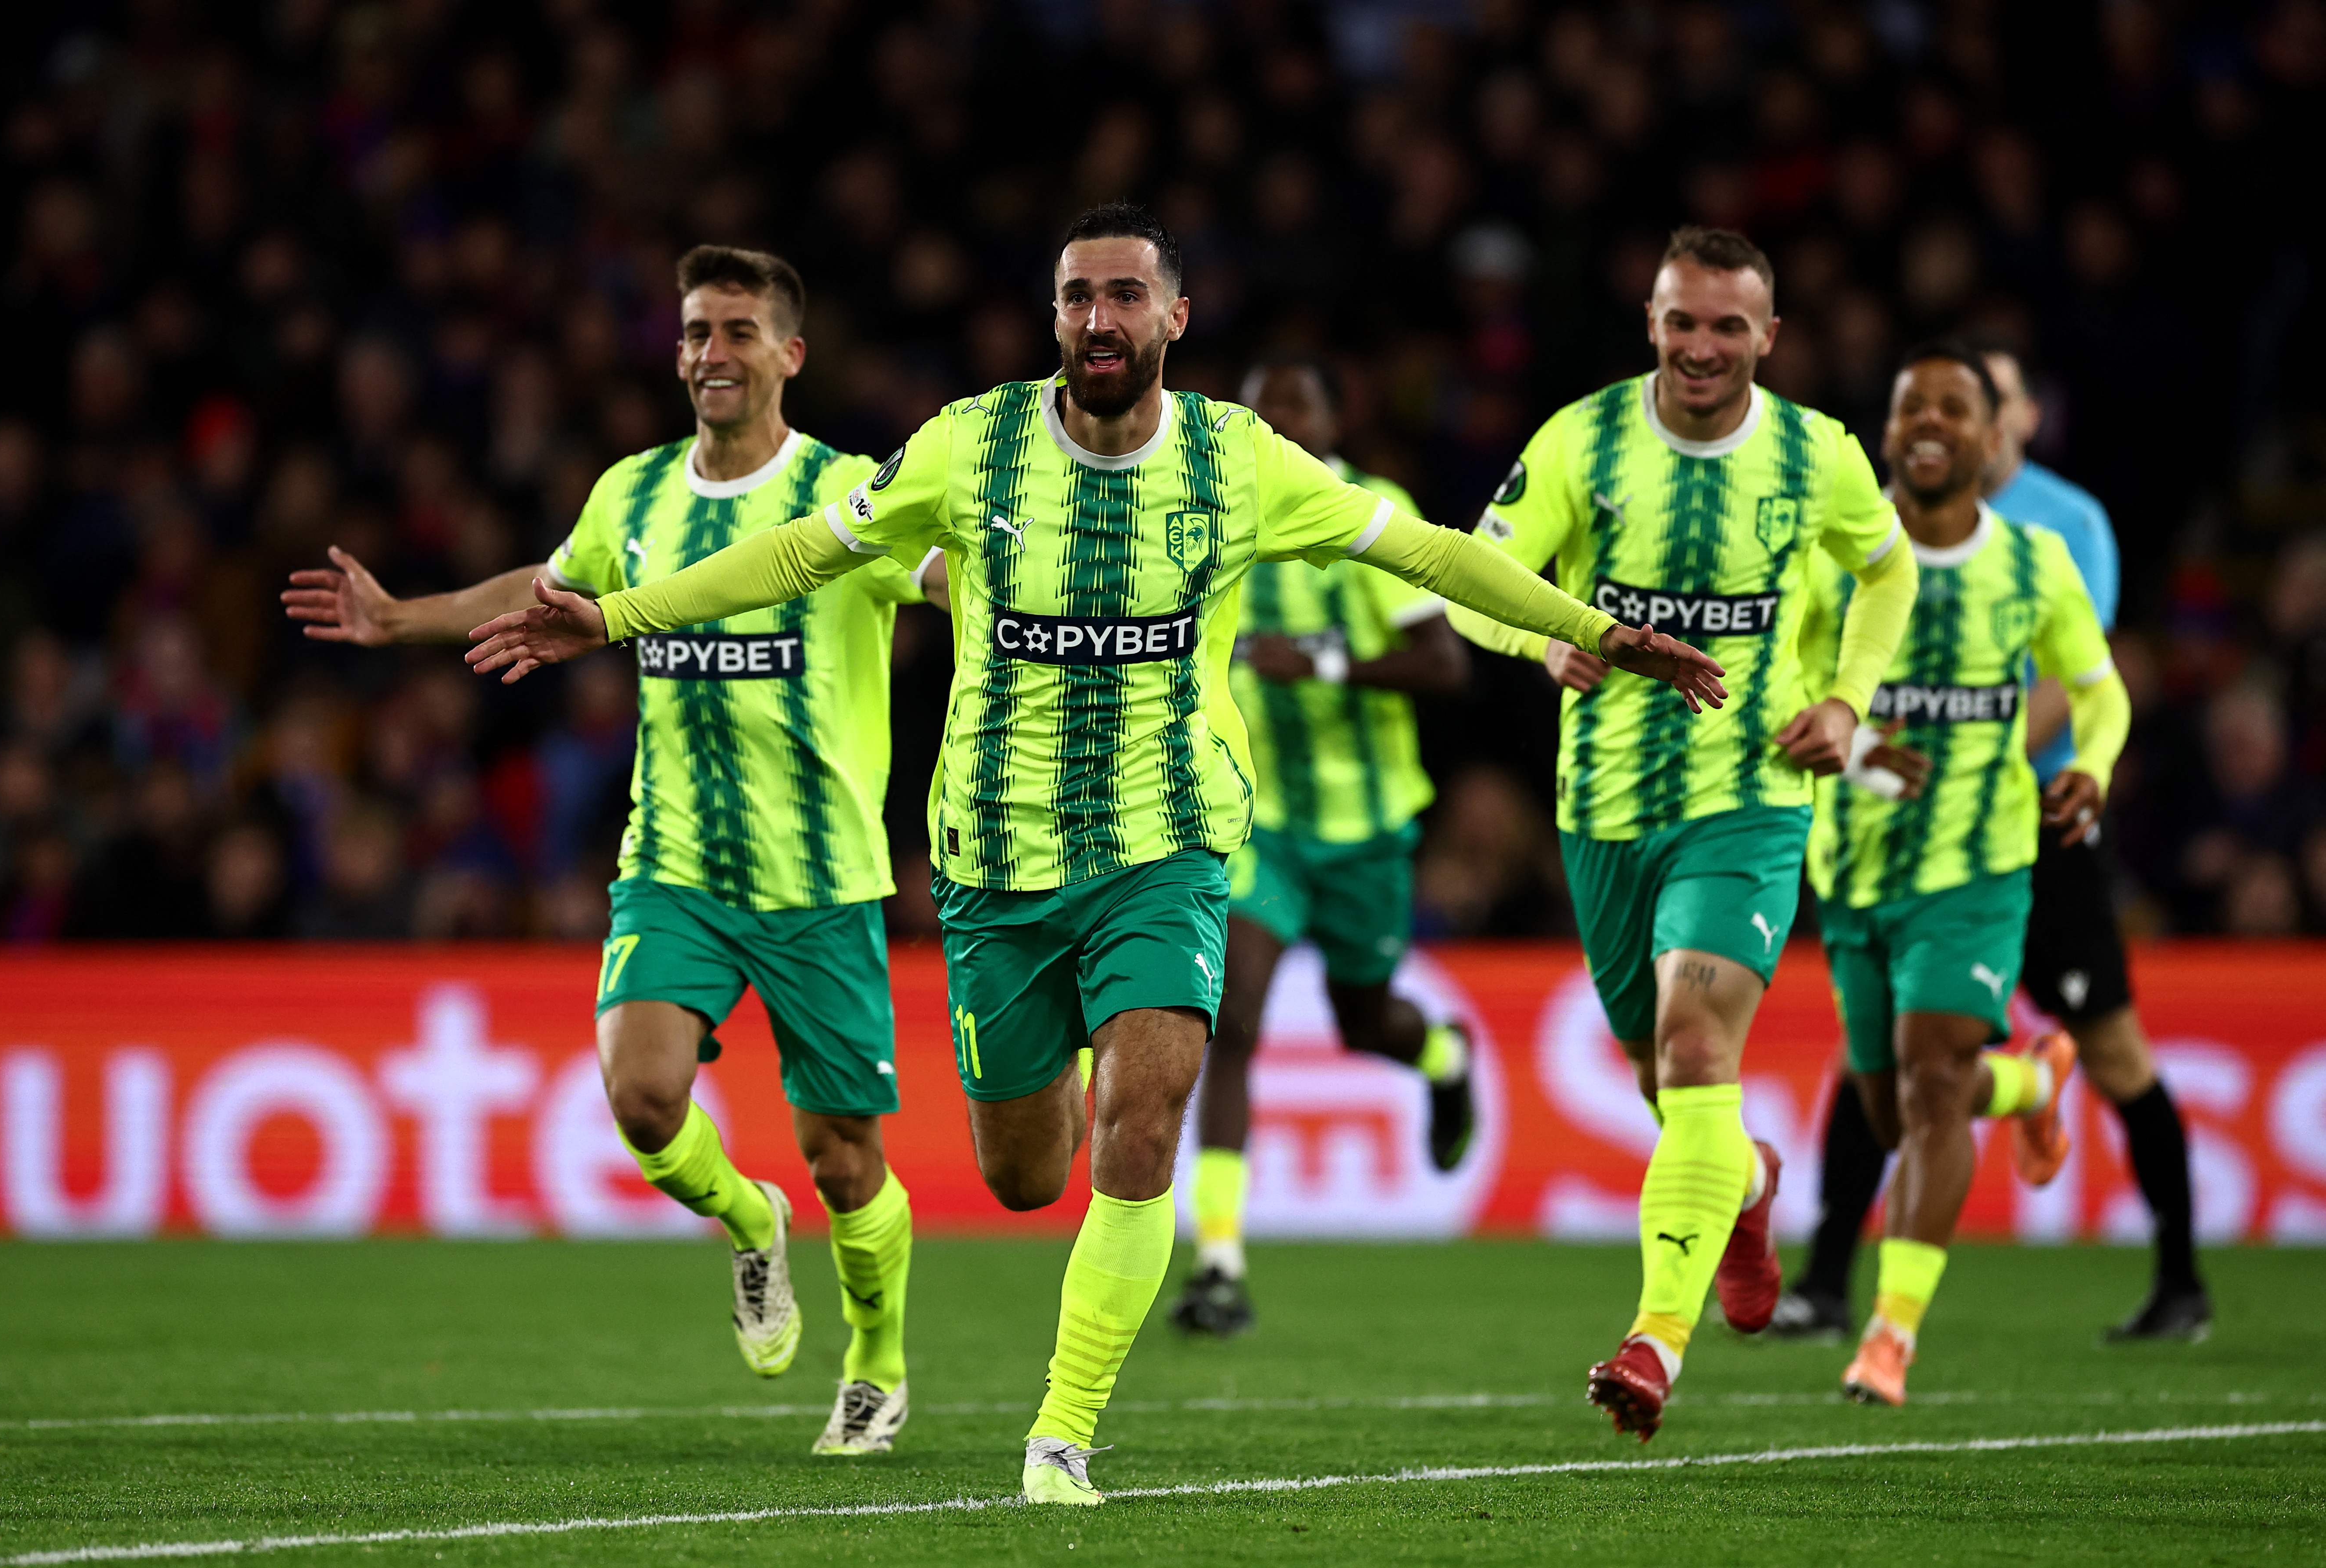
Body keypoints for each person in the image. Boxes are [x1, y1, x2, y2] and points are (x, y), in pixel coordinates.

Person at [458, 203, 1726, 1503]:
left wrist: (1602, 632)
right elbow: (794, 552)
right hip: (997, 867)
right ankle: (1060, 1057)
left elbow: (1431, 553)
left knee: (1143, 1121)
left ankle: (1059, 1438)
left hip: (1166, 849)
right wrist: (614, 615)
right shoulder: (969, 445)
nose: (1098, 320)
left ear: (1174, 317)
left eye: (1125, 297)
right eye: (1076, 298)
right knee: (1024, 1174)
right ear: (1053, 315)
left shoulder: (1242, 462)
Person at [282, 246, 922, 1455]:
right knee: (639, 1098)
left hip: (822, 881)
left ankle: (877, 1364)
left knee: (848, 1164)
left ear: (790, 354)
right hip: (675, 862)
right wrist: (402, 617)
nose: (710, 353)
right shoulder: (630, 494)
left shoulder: (854, 494)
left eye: (736, 331)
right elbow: (549, 584)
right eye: (694, 331)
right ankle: (747, 1223)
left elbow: (951, 577)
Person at [1453, 226, 1921, 1442]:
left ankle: (1653, 1342)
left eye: (1727, 326)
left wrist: (1846, 702)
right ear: (1650, 322)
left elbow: (1888, 575)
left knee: (1694, 1045)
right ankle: (1751, 1184)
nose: (1701, 346)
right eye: (1681, 321)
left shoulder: (1817, 454)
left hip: (1750, 800)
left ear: (1768, 337)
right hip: (1603, 809)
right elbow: (1479, 566)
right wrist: (1534, 639)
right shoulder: (1580, 439)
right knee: (1669, 1083)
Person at [1773, 345, 2210, 1345]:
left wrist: (1985, 769)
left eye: (1987, 400)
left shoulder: (2065, 526)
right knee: (1878, 1056)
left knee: (2113, 1047)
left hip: (2028, 827)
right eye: (1922, 403)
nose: (1957, 420)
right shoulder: (1857, 524)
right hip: (1881, 828)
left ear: (2013, 418)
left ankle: (2181, 1276)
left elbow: (2076, 669)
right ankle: (1832, 1281)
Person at [1171, 359, 1475, 1339]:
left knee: (1361, 1019)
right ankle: (1219, 1262)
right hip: (1262, 832)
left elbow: (1446, 664)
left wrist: (1328, 661)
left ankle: (1438, 1054)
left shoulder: (1374, 512)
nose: (1283, 427)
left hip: (1368, 831)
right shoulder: (1219, 522)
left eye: (1301, 408)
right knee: (1233, 1022)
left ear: (1339, 423)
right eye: (1267, 414)